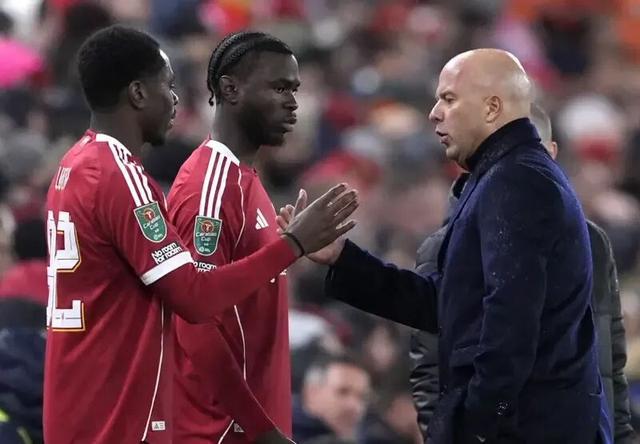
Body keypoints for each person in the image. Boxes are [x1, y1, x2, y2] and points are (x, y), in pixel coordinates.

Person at [44, 25, 359, 444]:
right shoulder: (135, 175)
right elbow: (193, 304)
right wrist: (293, 245)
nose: (176, 99)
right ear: (137, 93)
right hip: (128, 418)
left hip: (87, 406)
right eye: (168, 85)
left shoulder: (76, 164)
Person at [279, 49, 607, 443]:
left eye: (449, 99)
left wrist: (476, 423)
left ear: (492, 108)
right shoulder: (501, 176)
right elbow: (448, 304)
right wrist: (343, 259)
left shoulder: (516, 180)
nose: (434, 113)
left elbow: (512, 323)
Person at [409, 103, 635, 443]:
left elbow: (609, 359)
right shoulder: (444, 248)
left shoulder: (592, 242)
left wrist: (620, 435)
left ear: (552, 154)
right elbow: (430, 371)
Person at [167, 31, 306, 443]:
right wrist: (259, 429)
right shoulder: (209, 188)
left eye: (294, 90)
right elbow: (193, 324)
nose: (292, 102)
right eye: (279, 88)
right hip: (220, 430)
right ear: (230, 89)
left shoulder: (244, 178)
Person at [292, 354, 370, 442]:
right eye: (343, 392)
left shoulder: (369, 436)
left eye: (362, 397)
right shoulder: (283, 435)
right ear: (312, 393)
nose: (354, 406)